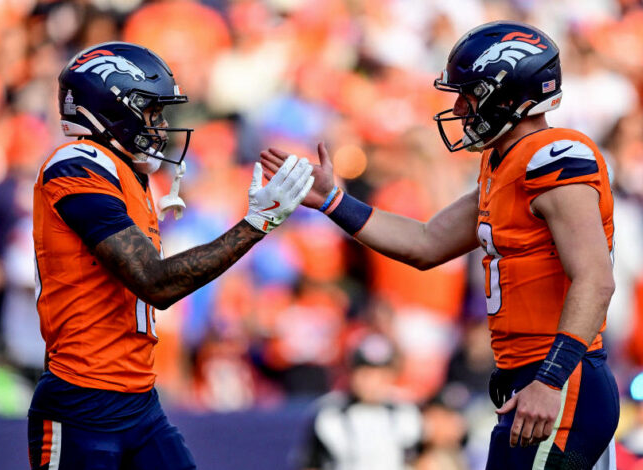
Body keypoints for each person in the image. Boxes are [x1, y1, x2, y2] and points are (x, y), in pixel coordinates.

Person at [261, 21, 619, 469]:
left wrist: (550, 381)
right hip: (534, 380)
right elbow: (425, 243)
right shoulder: (504, 163)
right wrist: (335, 202)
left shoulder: (555, 156)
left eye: (469, 93)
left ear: (508, 95)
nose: (458, 106)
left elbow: (596, 278)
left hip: (559, 380)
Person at [29, 42, 314, 469]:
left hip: (138, 398)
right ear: (111, 108)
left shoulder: (128, 173)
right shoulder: (78, 165)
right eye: (151, 112)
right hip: (82, 401)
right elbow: (154, 281)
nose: (161, 126)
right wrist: (256, 224)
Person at [297, 334, 422, 470]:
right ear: (352, 374)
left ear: (392, 376)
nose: (372, 383)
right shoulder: (329, 413)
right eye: (366, 375)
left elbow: (419, 459)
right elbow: (311, 463)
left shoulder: (407, 411)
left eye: (381, 376)